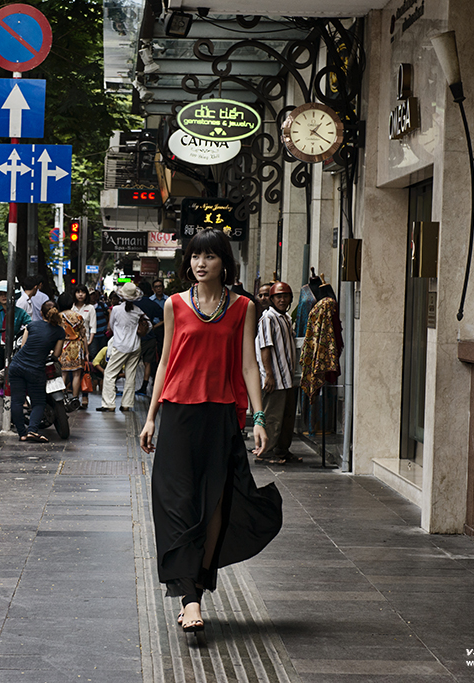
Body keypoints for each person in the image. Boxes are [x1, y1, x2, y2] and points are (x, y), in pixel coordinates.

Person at [139, 228, 282, 634]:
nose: (201, 264)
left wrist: (258, 418)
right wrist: (151, 417)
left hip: (220, 416)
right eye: (195, 257)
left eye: (210, 257)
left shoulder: (242, 308)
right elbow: (165, 363)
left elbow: (249, 365)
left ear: (225, 262)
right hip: (178, 415)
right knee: (178, 502)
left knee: (215, 504)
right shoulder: (174, 305)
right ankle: (190, 599)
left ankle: (197, 585)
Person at [8, 300, 65, 442]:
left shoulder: (31, 325)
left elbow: (22, 346)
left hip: (16, 365)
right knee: (38, 402)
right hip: (35, 369)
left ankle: (22, 433)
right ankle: (32, 430)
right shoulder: (59, 331)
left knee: (17, 401)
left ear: (41, 313)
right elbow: (56, 355)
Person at [256, 281, 299, 463]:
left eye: (285, 296)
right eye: (278, 297)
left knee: (287, 418)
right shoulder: (268, 318)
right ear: (272, 299)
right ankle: (266, 452)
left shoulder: (286, 318)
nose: (282, 300)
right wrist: (269, 374)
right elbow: (266, 346)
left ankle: (282, 449)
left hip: (288, 377)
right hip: (275, 378)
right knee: (273, 417)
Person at [96, 282, 147, 413]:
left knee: (109, 373)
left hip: (120, 345)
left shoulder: (116, 309)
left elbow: (111, 326)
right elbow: (148, 326)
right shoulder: (139, 311)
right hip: (135, 346)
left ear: (122, 296)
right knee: (131, 375)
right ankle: (126, 404)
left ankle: (109, 404)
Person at [0, 280, 30, 366]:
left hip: (14, 349)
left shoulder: (20, 312)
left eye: (6, 293)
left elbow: (31, 325)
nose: (3, 296)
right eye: (0, 294)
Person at [57, 291, 87, 410]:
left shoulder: (58, 317)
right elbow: (83, 333)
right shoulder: (78, 316)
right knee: (76, 374)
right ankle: (75, 399)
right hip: (76, 346)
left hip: (62, 346)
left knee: (63, 374)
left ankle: (61, 399)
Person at [133, 293, 164, 398]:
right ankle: (144, 387)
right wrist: (153, 327)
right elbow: (164, 317)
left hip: (135, 337)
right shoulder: (153, 304)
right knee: (148, 363)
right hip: (150, 337)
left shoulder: (133, 304)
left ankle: (130, 387)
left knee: (132, 363)